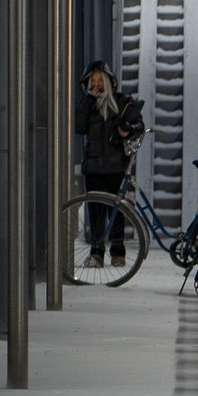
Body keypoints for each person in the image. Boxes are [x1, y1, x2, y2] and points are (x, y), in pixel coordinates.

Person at [75, 62, 146, 267]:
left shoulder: (122, 102)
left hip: (116, 165)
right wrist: (89, 99)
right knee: (96, 210)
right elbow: (79, 126)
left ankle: (118, 252)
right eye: (92, 81)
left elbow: (139, 125)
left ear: (108, 82)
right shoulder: (87, 104)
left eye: (100, 81)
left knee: (117, 210)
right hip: (94, 167)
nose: (96, 85)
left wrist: (128, 131)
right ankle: (96, 252)